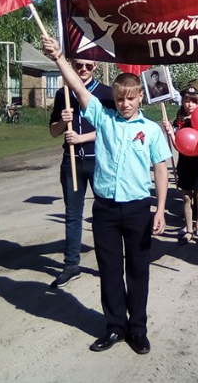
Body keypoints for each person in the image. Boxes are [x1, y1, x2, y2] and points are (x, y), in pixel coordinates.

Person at [42, 36, 171, 355]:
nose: (126, 103)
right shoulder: (104, 119)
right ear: (115, 98)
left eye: (131, 98)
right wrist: (59, 57)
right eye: (121, 98)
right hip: (106, 212)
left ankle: (137, 330)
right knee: (110, 270)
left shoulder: (152, 130)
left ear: (140, 97)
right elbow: (80, 88)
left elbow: (161, 170)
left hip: (139, 209)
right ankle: (115, 326)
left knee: (138, 271)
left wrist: (161, 209)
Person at [48, 58, 115, 288]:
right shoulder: (62, 94)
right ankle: (71, 265)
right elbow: (53, 131)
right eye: (78, 66)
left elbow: (112, 129)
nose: (83, 70)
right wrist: (62, 122)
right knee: (73, 215)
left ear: (95, 66)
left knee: (105, 216)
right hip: (72, 163)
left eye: (88, 66)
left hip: (99, 162)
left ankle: (109, 264)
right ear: (73, 66)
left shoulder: (106, 93)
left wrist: (83, 138)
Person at [163, 85, 198, 247]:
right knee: (186, 197)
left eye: (193, 101)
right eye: (186, 100)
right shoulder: (179, 120)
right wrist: (170, 132)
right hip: (184, 162)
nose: (189, 104)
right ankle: (189, 230)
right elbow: (178, 146)